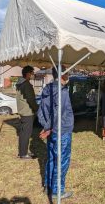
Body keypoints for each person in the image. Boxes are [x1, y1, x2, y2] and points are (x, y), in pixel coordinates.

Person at [37, 66, 74, 199]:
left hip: (53, 130)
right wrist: (49, 128)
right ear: (63, 74)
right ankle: (57, 191)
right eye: (68, 72)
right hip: (61, 130)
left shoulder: (47, 89)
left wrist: (46, 126)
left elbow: (40, 111)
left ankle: (49, 186)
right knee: (62, 160)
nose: (69, 74)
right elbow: (59, 114)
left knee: (52, 158)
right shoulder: (62, 91)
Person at [15, 65, 39, 159]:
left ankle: (22, 151)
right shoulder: (27, 85)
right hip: (27, 112)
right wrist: (37, 109)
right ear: (28, 74)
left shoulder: (20, 83)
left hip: (22, 111)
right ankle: (23, 154)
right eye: (32, 73)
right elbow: (31, 100)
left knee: (23, 133)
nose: (33, 75)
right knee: (26, 134)